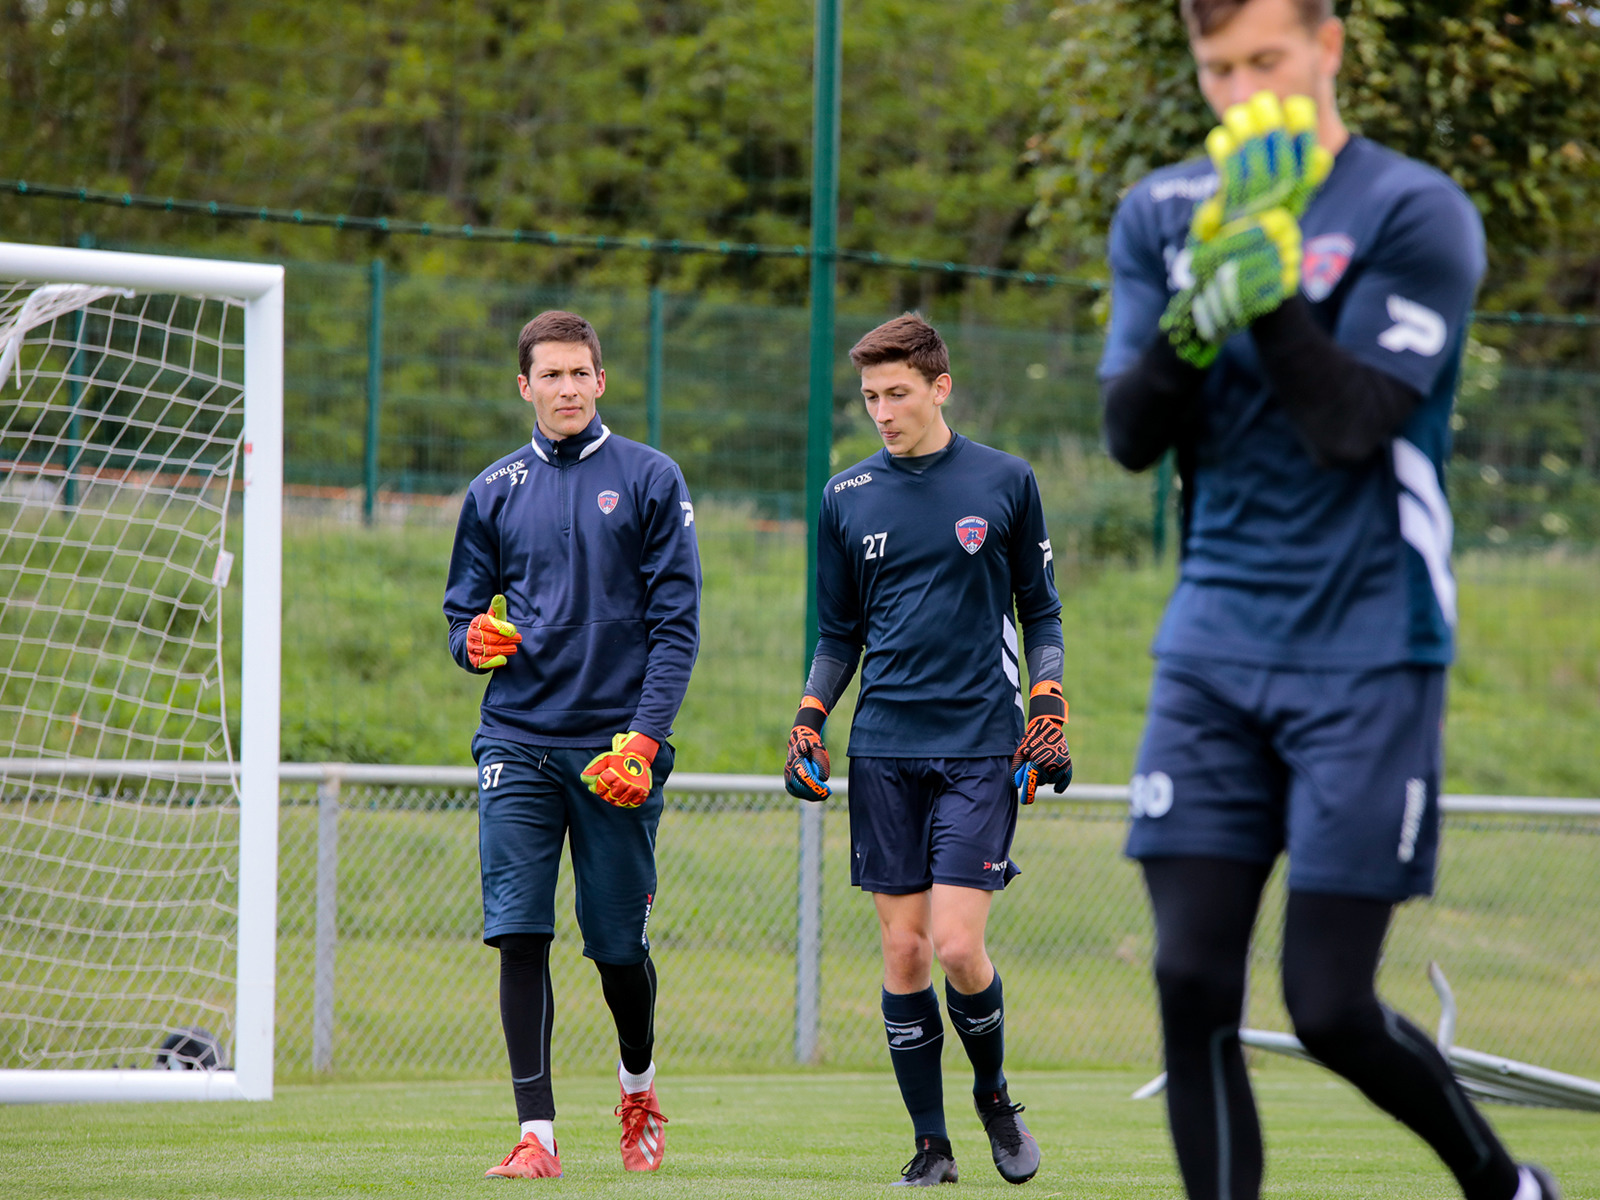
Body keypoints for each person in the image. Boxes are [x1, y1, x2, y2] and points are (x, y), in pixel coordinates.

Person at [1098, 2, 1559, 1199]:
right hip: (1210, 644)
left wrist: (1265, 295)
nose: (1246, 89)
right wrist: (1193, 315)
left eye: (1269, 60)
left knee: (1327, 1004)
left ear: (1329, 46)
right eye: (1219, 69)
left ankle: (1505, 1188)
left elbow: (1353, 426)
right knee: (1189, 981)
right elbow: (1129, 437)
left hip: (1368, 645)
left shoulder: (1413, 211)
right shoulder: (1160, 213)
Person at [784, 313, 1073, 1187]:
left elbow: (1042, 611)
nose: (882, 410)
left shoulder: (1005, 481)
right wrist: (809, 716)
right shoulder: (844, 497)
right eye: (870, 395)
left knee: (954, 945)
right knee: (904, 953)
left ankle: (992, 1096)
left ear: (940, 388)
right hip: (884, 750)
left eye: (898, 393)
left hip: (981, 746)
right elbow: (839, 635)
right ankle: (931, 1143)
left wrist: (1048, 703)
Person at [443, 310, 700, 1180]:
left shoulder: (652, 479)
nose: (564, 389)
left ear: (601, 381)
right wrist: (470, 641)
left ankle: (638, 1089)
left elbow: (676, 628)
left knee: (616, 947)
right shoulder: (492, 489)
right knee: (518, 931)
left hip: (612, 751)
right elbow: (461, 613)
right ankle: (536, 1137)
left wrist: (646, 739)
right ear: (525, 386)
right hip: (516, 738)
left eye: (578, 374)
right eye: (548, 375)